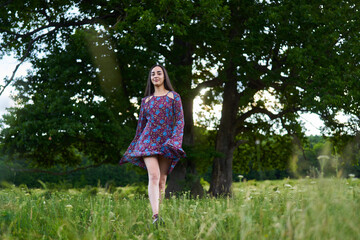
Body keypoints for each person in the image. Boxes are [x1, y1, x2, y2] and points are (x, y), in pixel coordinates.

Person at [119, 64, 186, 226]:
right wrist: (136, 145)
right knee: (154, 176)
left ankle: (159, 215)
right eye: (153, 74)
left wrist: (175, 141)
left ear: (164, 77)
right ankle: (155, 215)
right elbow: (141, 126)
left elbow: (180, 121)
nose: (155, 76)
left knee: (162, 180)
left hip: (166, 142)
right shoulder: (146, 101)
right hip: (148, 141)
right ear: (150, 78)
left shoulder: (174, 97)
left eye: (159, 73)